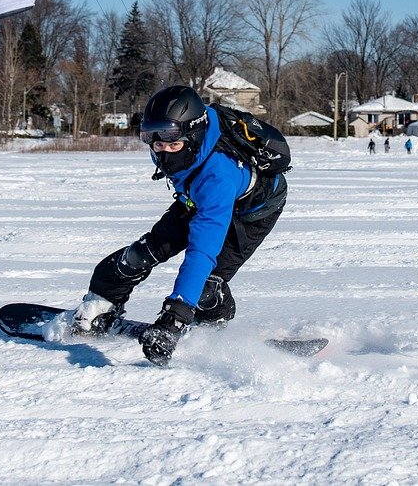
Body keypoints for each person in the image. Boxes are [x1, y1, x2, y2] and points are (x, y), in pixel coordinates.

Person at [69, 85, 288, 365]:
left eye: (173, 145)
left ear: (193, 137)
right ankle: (99, 307)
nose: (164, 152)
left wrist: (174, 317)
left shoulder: (218, 176)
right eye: (157, 144)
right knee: (137, 256)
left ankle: (211, 331)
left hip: (251, 212)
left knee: (206, 287)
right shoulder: (176, 140)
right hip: (195, 199)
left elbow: (201, 251)